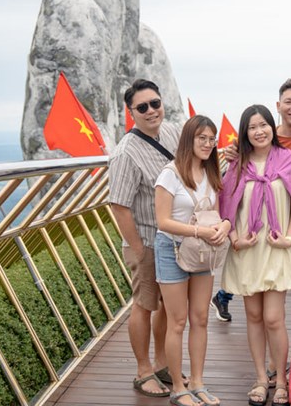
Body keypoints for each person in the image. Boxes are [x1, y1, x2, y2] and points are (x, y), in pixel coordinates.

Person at [212, 77, 291, 338]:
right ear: (278, 106)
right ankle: (271, 368)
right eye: (288, 102)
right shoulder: (251, 148)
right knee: (260, 315)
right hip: (258, 240)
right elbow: (230, 198)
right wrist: (234, 238)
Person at [219, 104, 291, 406]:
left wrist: (290, 238)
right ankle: (260, 378)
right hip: (247, 249)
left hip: (278, 247)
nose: (259, 131)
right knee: (253, 316)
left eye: (264, 125)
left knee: (274, 318)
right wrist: (234, 240)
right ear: (245, 133)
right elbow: (226, 206)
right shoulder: (237, 165)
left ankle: (281, 380)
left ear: (273, 125)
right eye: (252, 127)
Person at [108, 79, 181, 397]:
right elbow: (119, 205)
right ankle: (142, 371)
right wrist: (138, 250)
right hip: (147, 241)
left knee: (166, 305)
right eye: (142, 107)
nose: (151, 110)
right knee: (143, 305)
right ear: (131, 112)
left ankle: (163, 364)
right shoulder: (126, 152)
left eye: (155, 103)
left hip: (173, 240)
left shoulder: (172, 132)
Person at [154, 115, 230, 406]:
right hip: (172, 250)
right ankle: (178, 387)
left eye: (212, 139)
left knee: (200, 318)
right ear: (189, 139)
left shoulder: (212, 173)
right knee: (178, 321)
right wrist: (199, 231)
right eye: (202, 138)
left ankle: (198, 381)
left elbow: (220, 212)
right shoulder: (170, 173)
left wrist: (224, 226)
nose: (208, 144)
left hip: (202, 253)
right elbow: (163, 221)